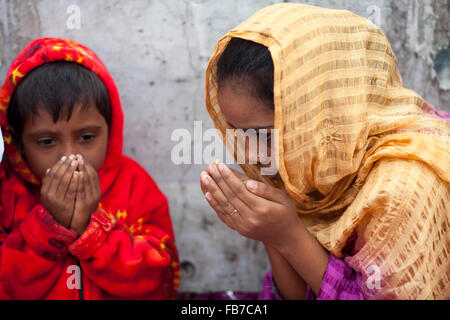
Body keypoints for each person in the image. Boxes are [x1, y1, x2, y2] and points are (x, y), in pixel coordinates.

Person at [200, 3, 449, 299]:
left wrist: (288, 235)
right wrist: (270, 231)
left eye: (264, 135)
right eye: (237, 131)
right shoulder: (315, 162)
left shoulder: (404, 190)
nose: (251, 155)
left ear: (325, 113)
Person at [0, 38, 180, 299]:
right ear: (19, 143)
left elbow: (161, 282)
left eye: (86, 137)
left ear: (111, 128)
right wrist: (49, 227)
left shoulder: (133, 185)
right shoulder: (8, 193)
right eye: (47, 141)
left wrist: (92, 232)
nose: (71, 157)